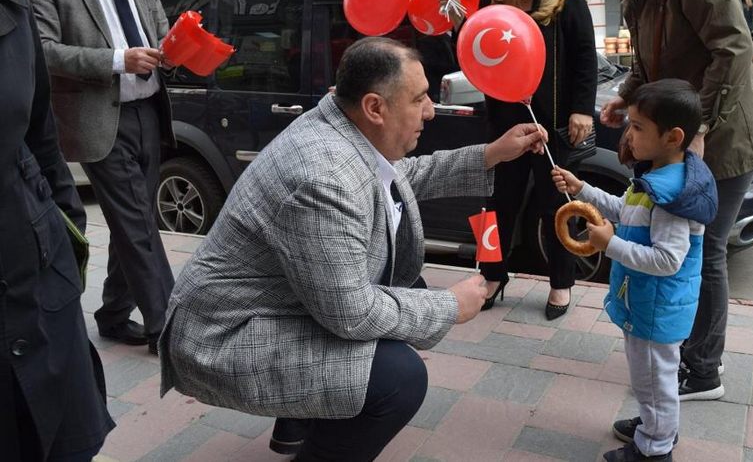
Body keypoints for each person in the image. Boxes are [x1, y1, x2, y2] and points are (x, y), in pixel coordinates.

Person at [158, 37, 548, 462]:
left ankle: (304, 419)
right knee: (398, 377)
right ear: (375, 107)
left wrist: (492, 154)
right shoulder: (323, 177)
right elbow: (351, 312)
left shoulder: (341, 124)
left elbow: (401, 177)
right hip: (225, 333)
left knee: (403, 286)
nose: (431, 111)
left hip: (274, 304)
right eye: (419, 99)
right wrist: (449, 305)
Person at [580, 0, 753, 401]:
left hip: (721, 136)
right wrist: (629, 94)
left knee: (705, 249)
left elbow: (733, 48)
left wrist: (699, 128)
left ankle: (702, 370)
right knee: (667, 232)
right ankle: (671, 353)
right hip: (675, 133)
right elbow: (652, 58)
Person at [19, 0, 175, 355]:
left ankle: (111, 314)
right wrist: (117, 60)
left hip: (150, 110)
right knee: (137, 226)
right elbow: (41, 51)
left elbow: (162, 35)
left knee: (138, 221)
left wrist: (181, 49)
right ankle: (169, 328)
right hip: (97, 121)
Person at [553, 79, 718, 462]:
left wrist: (608, 245)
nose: (629, 134)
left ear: (673, 137)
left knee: (655, 381)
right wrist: (582, 189)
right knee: (648, 378)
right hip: (648, 302)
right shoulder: (655, 176)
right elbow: (623, 208)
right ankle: (654, 424)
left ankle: (654, 449)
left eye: (639, 127)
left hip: (658, 307)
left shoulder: (671, 197)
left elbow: (667, 260)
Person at [0, 0, 114, 461]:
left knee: (62, 436)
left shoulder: (8, 1)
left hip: (36, 259)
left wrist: (68, 226)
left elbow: (40, 130)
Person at [475, 0, 598, 320]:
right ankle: (490, 276)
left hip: (554, 126)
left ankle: (561, 283)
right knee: (495, 206)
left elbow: (584, 59)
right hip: (504, 125)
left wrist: (582, 108)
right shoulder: (489, 2)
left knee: (556, 206)